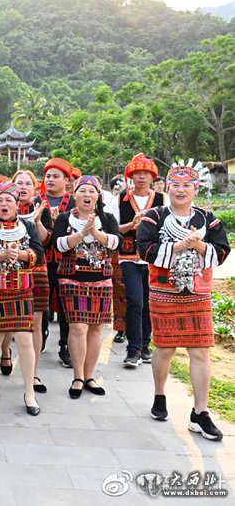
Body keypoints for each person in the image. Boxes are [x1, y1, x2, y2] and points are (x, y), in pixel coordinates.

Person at [138, 160, 228, 440]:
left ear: (196, 189)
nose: (181, 189)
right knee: (165, 348)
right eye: (175, 184)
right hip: (164, 291)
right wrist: (178, 245)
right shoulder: (154, 216)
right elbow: (145, 250)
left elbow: (222, 251)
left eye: (187, 185)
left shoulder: (208, 219)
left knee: (200, 351)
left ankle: (200, 413)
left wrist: (199, 245)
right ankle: (159, 394)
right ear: (166, 187)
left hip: (198, 292)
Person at [0, 180, 44, 417]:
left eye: (9, 200)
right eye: (0, 200)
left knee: (25, 340)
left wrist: (20, 254)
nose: (4, 204)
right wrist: (1, 255)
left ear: (17, 204)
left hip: (21, 290)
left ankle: (29, 392)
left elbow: (39, 254)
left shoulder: (27, 226)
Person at [53, 176, 121, 399]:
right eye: (82, 191)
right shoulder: (65, 218)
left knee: (96, 329)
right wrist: (82, 233)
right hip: (71, 279)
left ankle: (90, 375)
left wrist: (95, 232)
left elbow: (115, 243)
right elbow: (59, 245)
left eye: (92, 191)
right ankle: (78, 376)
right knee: (78, 327)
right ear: (75, 195)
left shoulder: (107, 218)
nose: (87, 195)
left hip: (101, 279)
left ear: (98, 196)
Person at [110, 153, 166, 369]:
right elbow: (111, 230)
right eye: (137, 173)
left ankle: (145, 345)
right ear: (131, 176)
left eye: (146, 173)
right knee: (134, 301)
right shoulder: (119, 200)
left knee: (149, 303)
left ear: (152, 176)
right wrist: (131, 225)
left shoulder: (163, 199)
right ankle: (133, 349)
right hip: (128, 258)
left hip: (153, 259)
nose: (141, 177)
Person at [11, 170, 51, 393]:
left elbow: (46, 240)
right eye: (19, 183)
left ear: (35, 187)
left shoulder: (41, 207)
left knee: (35, 323)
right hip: (8, 270)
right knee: (7, 322)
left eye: (28, 183)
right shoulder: (4, 205)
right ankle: (5, 354)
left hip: (36, 269)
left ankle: (33, 373)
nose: (23, 187)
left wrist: (36, 221)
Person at [41, 157, 77, 369]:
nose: (51, 180)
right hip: (42, 260)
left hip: (66, 260)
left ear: (66, 180)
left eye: (56, 176)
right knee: (41, 301)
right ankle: (41, 334)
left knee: (65, 305)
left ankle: (65, 346)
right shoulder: (38, 202)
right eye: (48, 176)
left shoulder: (75, 203)